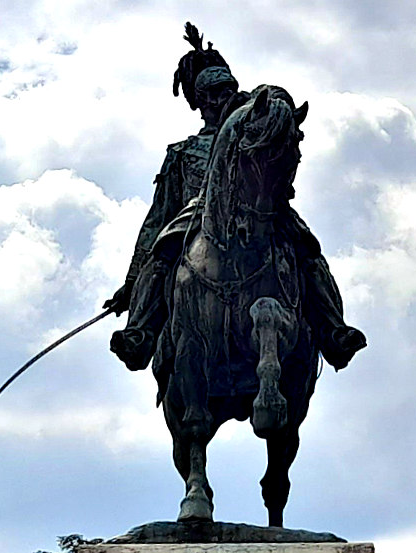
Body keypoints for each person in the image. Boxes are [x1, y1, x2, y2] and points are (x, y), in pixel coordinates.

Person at [109, 24, 364, 375]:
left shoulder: (253, 130)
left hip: (261, 207)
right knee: (162, 253)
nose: (220, 99)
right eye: (212, 94)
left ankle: (334, 330)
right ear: (199, 101)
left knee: (307, 249)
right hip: (196, 216)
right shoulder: (182, 152)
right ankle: (140, 333)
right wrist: (131, 281)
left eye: (226, 91)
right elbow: (157, 216)